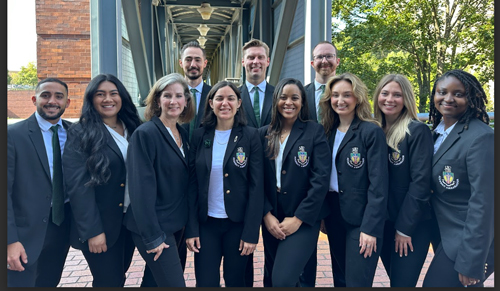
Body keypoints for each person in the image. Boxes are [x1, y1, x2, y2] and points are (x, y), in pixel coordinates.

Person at [62, 74, 143, 286]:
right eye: (100, 94)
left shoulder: (133, 127)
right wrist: (93, 231)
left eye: (113, 93)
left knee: (119, 276)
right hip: (102, 225)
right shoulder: (80, 133)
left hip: (129, 221)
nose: (108, 99)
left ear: (122, 97)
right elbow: (78, 187)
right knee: (109, 281)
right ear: (91, 99)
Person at [185, 81, 264, 287]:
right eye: (219, 98)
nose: (225, 103)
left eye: (230, 98)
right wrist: (191, 229)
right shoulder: (200, 135)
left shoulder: (250, 136)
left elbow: (257, 187)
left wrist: (251, 232)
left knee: (236, 281)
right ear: (211, 103)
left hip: (237, 225)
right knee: (206, 282)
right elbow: (192, 184)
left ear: (239, 103)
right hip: (206, 225)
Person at [422, 69, 494, 287]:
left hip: (468, 238)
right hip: (444, 231)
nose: (448, 98)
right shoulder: (437, 133)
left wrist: (472, 260)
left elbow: (485, 203)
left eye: (458, 93)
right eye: (441, 92)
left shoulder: (482, 137)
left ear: (471, 98)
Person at [259, 78, 331, 287]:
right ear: (275, 101)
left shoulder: (314, 132)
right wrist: (266, 214)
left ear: (303, 102)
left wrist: (299, 218)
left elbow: (321, 180)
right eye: (283, 97)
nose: (288, 102)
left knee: (283, 279)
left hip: (304, 217)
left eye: (294, 98)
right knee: (272, 277)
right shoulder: (263, 134)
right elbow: (257, 179)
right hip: (273, 216)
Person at [124, 73, 195, 287]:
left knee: (154, 283)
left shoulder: (182, 133)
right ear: (157, 100)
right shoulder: (145, 134)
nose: (173, 101)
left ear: (186, 101)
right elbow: (140, 190)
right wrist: (153, 236)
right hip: (155, 229)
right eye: (167, 95)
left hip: (176, 224)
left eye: (179, 96)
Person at [319, 73, 388, 287]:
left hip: (361, 219)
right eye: (335, 95)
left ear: (357, 98)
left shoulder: (371, 131)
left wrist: (370, 228)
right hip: (334, 214)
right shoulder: (326, 131)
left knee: (357, 281)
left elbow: (379, 185)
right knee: (340, 278)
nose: (340, 100)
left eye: (347, 95)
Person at [7, 78, 72, 287]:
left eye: (58, 96)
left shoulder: (75, 133)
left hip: (61, 227)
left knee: (49, 283)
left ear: (67, 103)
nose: (51, 101)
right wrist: (9, 240)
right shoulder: (13, 135)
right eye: (46, 95)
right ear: (35, 99)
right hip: (24, 233)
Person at [372, 74, 433, 286]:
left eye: (397, 95)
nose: (390, 99)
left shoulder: (417, 131)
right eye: (385, 93)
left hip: (411, 225)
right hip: (383, 223)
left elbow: (421, 184)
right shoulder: (372, 130)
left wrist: (404, 229)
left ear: (406, 99)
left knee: (402, 284)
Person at [301, 40, 342, 287]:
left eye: (329, 56)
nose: (324, 61)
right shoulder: (300, 95)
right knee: (305, 255)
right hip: (307, 186)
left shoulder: (350, 95)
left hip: (340, 186)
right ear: (312, 62)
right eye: (319, 57)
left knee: (340, 254)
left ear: (337, 61)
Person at [179, 40, 212, 141]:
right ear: (181, 63)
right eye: (188, 59)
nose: (193, 64)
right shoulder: (172, 95)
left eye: (198, 60)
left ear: (205, 63)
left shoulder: (214, 94)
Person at [239, 39, 275, 129]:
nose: (255, 62)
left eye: (260, 57)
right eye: (251, 57)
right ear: (243, 62)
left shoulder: (279, 94)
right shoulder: (234, 95)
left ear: (268, 61)